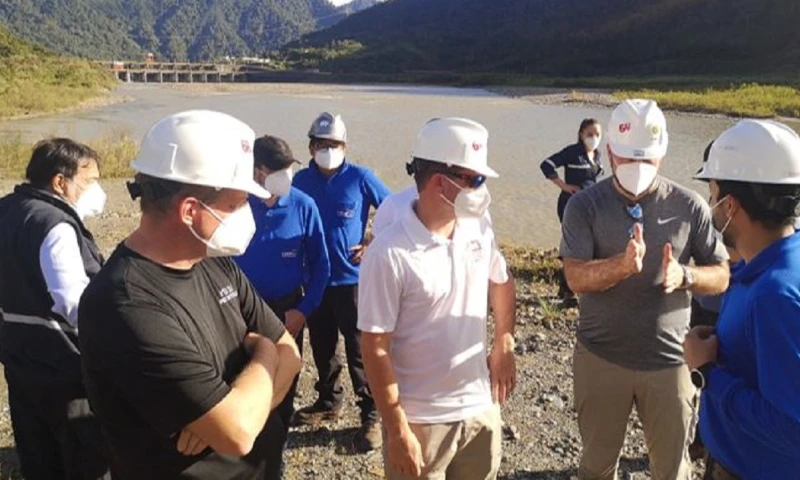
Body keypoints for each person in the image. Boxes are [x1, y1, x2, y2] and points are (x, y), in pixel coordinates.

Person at [78, 110, 302, 480]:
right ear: (190, 210)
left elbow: (290, 356)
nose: (247, 213)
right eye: (237, 203)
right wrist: (264, 353)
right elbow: (238, 432)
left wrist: (244, 410)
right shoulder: (124, 304)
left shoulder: (214, 262)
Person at [560, 99, 730, 480]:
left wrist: (685, 275)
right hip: (601, 358)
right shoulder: (584, 206)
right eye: (626, 159)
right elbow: (575, 277)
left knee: (672, 470)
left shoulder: (690, 206)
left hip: (670, 362)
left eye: (647, 160)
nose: (636, 169)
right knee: (596, 466)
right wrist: (620, 267)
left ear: (662, 152)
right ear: (609, 152)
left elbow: (722, 274)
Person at [359, 117, 517, 480]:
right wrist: (397, 428)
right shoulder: (388, 253)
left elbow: (501, 281)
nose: (482, 190)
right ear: (439, 182)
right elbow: (375, 346)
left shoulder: (478, 226)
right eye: (474, 180)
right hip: (421, 421)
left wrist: (504, 342)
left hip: (480, 410)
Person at [687, 119, 800, 479]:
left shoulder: (773, 296)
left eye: (713, 195)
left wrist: (707, 372)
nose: (711, 205)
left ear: (731, 205)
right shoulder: (767, 267)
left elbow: (792, 427)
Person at [0, 138, 110, 480]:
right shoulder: (54, 224)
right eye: (89, 181)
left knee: (38, 456)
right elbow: (74, 303)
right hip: (65, 366)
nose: (97, 191)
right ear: (60, 182)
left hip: (20, 358)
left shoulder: (7, 209)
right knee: (83, 459)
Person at [292, 112, 391, 451]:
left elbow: (395, 210)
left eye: (334, 144)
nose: (328, 149)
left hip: (353, 280)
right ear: (310, 147)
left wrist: (373, 242)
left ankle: (372, 413)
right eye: (321, 143)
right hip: (314, 280)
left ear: (345, 146)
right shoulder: (299, 181)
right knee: (322, 345)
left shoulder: (361, 178)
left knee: (360, 349)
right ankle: (328, 401)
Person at [235, 134, 331, 440]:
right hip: (239, 312)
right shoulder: (236, 203)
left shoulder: (303, 205)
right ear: (257, 171)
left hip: (286, 311)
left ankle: (275, 451)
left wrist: (302, 311)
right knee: (240, 382)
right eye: (278, 170)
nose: (286, 176)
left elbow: (321, 266)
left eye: (289, 168)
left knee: (283, 383)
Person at [540, 119, 604, 305]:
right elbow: (547, 165)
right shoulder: (572, 152)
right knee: (574, 243)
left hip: (590, 206)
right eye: (590, 134)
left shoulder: (597, 155)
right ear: (581, 134)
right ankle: (569, 291)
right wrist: (564, 185)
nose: (594, 138)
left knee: (589, 243)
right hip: (570, 204)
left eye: (598, 135)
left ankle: (570, 287)